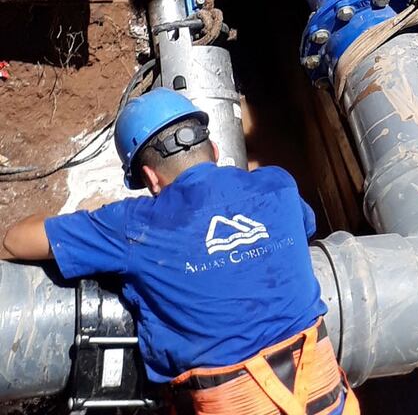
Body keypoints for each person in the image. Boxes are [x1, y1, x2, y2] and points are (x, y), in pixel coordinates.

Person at [3, 88, 359, 415]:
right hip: (333, 405)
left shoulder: (133, 225)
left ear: (150, 178)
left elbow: (15, 241)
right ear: (215, 150)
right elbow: (304, 227)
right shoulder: (277, 184)